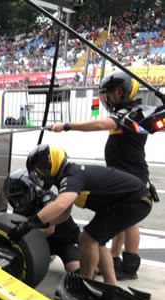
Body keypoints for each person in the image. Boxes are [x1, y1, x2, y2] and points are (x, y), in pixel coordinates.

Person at [50, 70, 152, 280]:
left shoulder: (130, 112)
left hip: (132, 173)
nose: (110, 98)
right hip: (125, 171)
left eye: (114, 93)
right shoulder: (129, 110)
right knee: (118, 218)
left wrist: (67, 126)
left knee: (128, 219)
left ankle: (130, 263)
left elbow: (100, 124)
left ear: (125, 92)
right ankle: (114, 258)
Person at [17, 143, 152, 285]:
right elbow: (64, 213)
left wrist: (30, 222)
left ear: (52, 164)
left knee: (87, 238)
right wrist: (47, 223)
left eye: (42, 168)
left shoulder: (71, 176)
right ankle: (111, 287)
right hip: (133, 200)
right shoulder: (71, 175)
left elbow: (60, 204)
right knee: (98, 242)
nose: (40, 174)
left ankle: (84, 287)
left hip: (134, 201)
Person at [5, 169, 80, 272]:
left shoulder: (47, 199)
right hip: (44, 243)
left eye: (21, 197)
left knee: (76, 272)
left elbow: (49, 230)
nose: (18, 202)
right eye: (14, 199)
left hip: (65, 241)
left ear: (30, 191)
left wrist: (23, 237)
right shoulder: (18, 208)